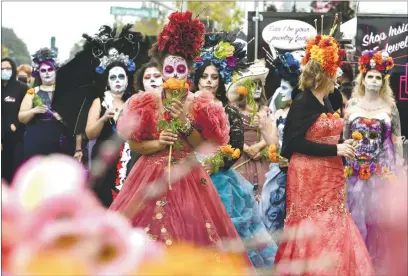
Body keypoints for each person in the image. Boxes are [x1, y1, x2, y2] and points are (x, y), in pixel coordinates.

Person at [109, 11, 250, 263]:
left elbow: (206, 147)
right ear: (162, 71)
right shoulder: (145, 102)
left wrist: (186, 125)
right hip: (149, 175)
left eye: (180, 69)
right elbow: (134, 143)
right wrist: (158, 142)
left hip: (189, 177)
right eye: (169, 69)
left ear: (189, 72)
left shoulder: (201, 105)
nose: (174, 74)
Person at [275, 33, 374, 275]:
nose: (338, 76)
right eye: (335, 70)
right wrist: (335, 148)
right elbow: (292, 144)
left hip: (331, 174)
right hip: (308, 175)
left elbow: (327, 134)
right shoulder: (302, 103)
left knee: (334, 223)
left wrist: (344, 145)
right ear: (325, 73)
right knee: (314, 225)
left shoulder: (328, 100)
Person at [192, 31, 277, 268]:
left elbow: (236, 145)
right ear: (197, 79)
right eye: (205, 76)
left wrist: (215, 163)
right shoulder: (186, 105)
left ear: (221, 81)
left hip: (221, 179)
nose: (209, 81)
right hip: (190, 177)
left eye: (214, 77)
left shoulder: (228, 110)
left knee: (229, 233)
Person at [343, 49, 402, 273]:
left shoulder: (390, 107)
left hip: (381, 172)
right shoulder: (352, 105)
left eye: (378, 77)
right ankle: (356, 262)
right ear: (363, 78)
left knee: (377, 220)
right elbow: (345, 138)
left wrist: (398, 170)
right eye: (371, 76)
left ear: (384, 81)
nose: (374, 81)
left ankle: (377, 265)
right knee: (354, 217)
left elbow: (396, 141)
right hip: (355, 172)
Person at [258, 52, 301, 237]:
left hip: (299, 170)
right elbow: (274, 143)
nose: (281, 91)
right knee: (271, 210)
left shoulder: (303, 114)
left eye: (285, 87)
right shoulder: (280, 113)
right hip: (279, 170)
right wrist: (262, 129)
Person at [227, 60, 271, 199]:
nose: (257, 89)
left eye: (259, 85)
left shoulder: (266, 110)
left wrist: (259, 147)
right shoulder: (234, 108)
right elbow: (229, 132)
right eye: (253, 85)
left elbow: (271, 133)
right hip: (240, 154)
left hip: (260, 155)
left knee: (263, 193)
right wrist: (246, 148)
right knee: (242, 193)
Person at [18, 48, 68, 160]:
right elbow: (21, 118)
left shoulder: (65, 92)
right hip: (36, 140)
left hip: (60, 141)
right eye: (43, 70)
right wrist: (33, 111)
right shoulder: (32, 92)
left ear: (56, 71)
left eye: (50, 69)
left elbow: (77, 119)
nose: (46, 73)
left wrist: (63, 118)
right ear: (38, 73)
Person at [1, 57, 28, 182]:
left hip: (16, 139)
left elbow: (26, 110)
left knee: (14, 173)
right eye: (2, 69)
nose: (4, 71)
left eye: (7, 68)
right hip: (2, 136)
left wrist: (15, 124)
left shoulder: (22, 88)